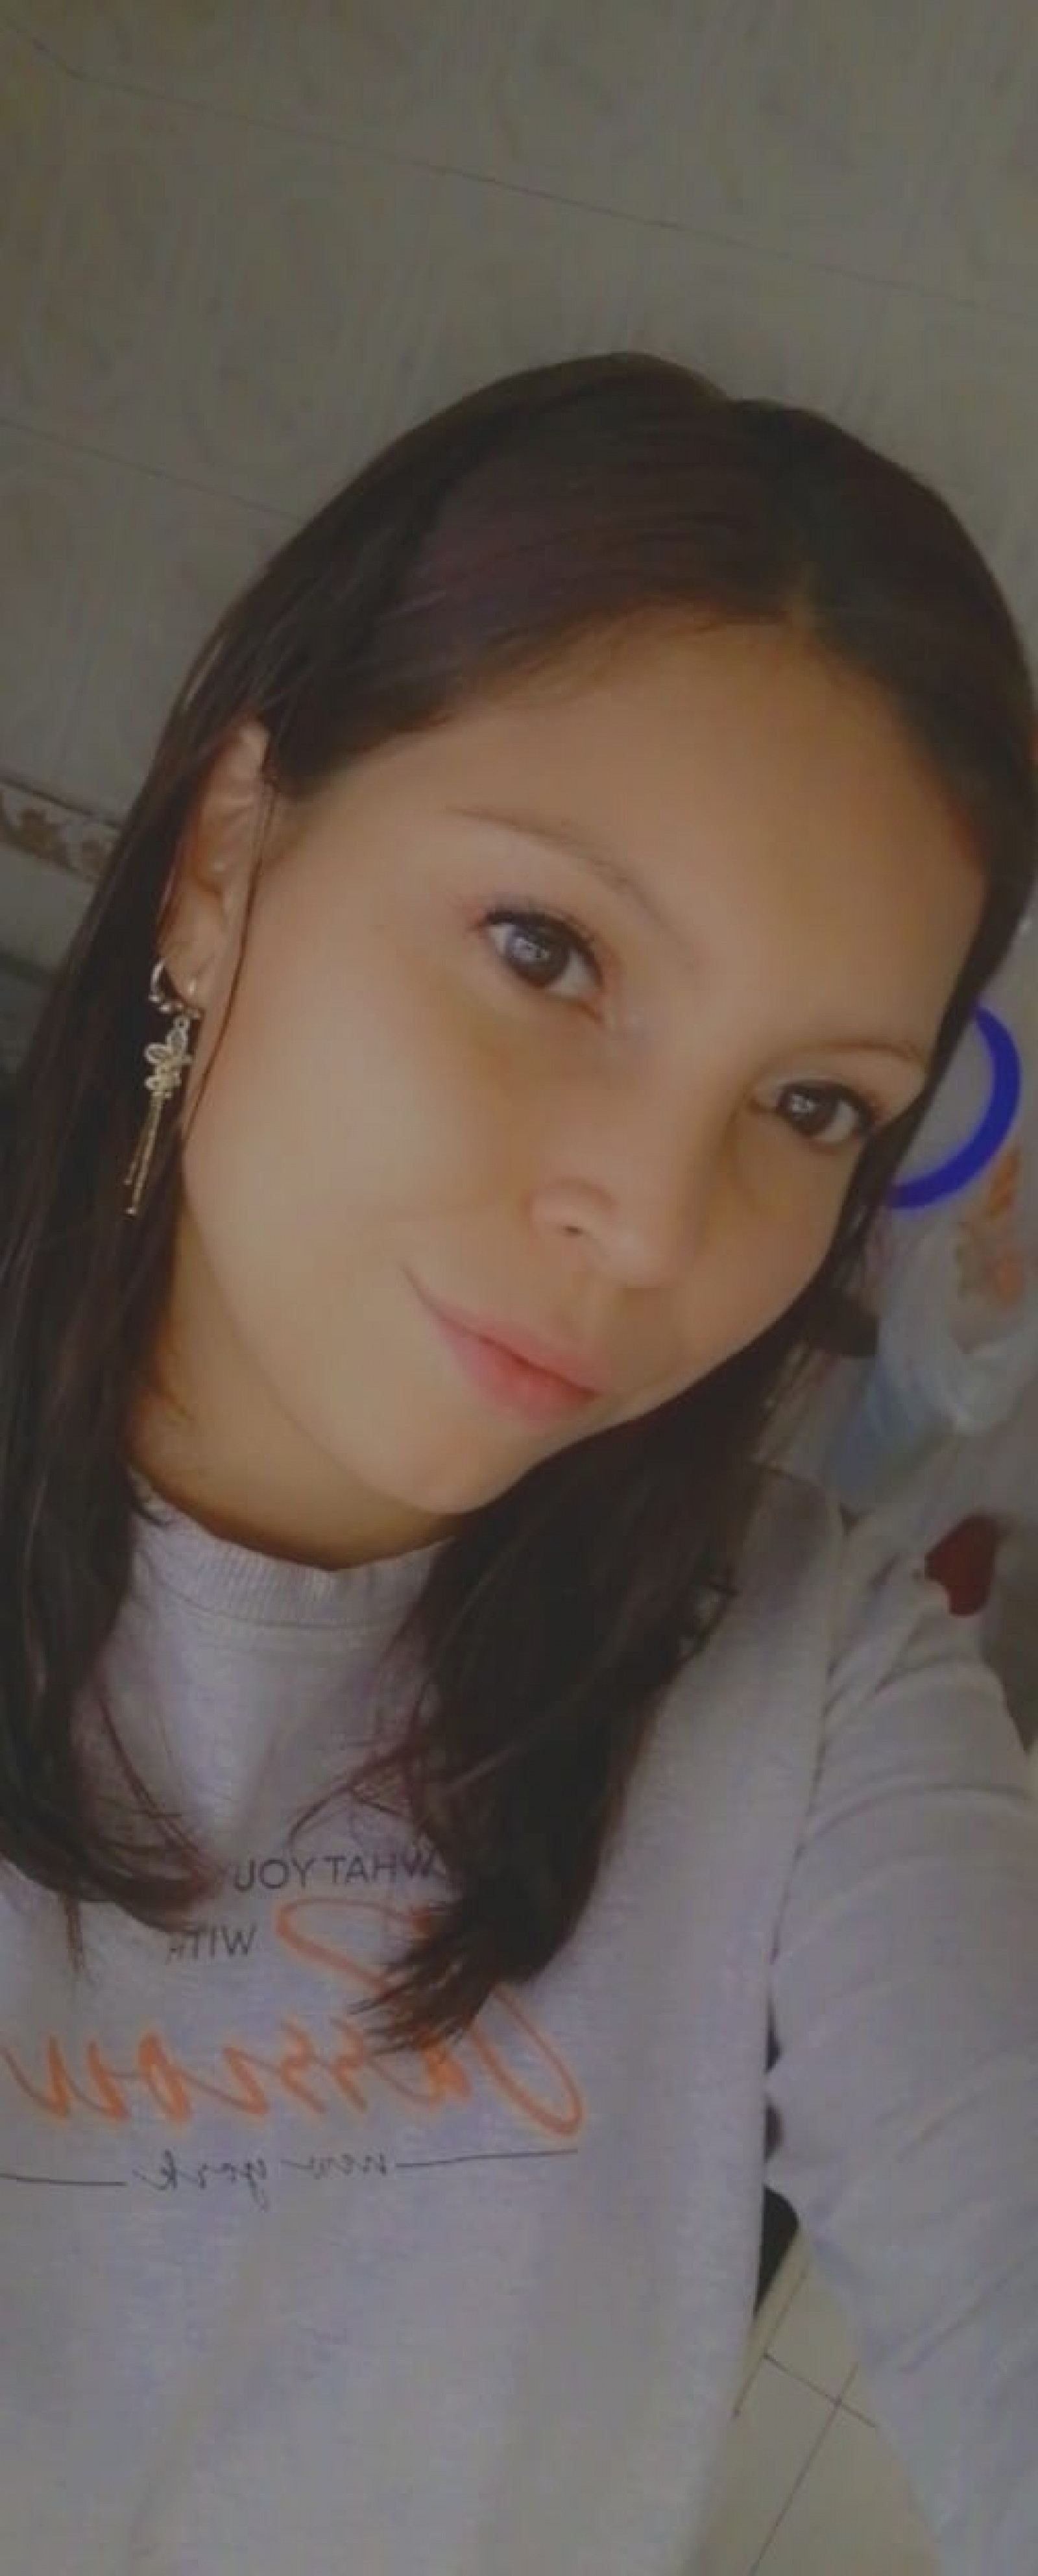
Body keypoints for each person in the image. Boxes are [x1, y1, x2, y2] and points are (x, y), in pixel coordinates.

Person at [1, 351, 1035, 2575]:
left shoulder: (808, 1690)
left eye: (812, 1104)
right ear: (222, 856)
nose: (652, 1229)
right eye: (546, 950)